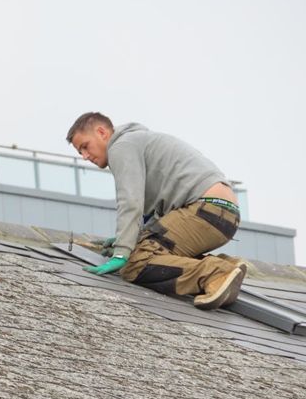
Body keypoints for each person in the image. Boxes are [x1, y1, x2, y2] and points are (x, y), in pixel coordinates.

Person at [66, 112, 246, 310]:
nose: (84, 156)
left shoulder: (121, 146)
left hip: (205, 209)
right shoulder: (139, 142)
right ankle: (227, 267)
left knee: (136, 263)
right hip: (224, 214)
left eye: (85, 146)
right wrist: (129, 238)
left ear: (101, 132)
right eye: (79, 152)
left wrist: (122, 252)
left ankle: (215, 273)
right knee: (150, 249)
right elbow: (153, 216)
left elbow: (130, 201)